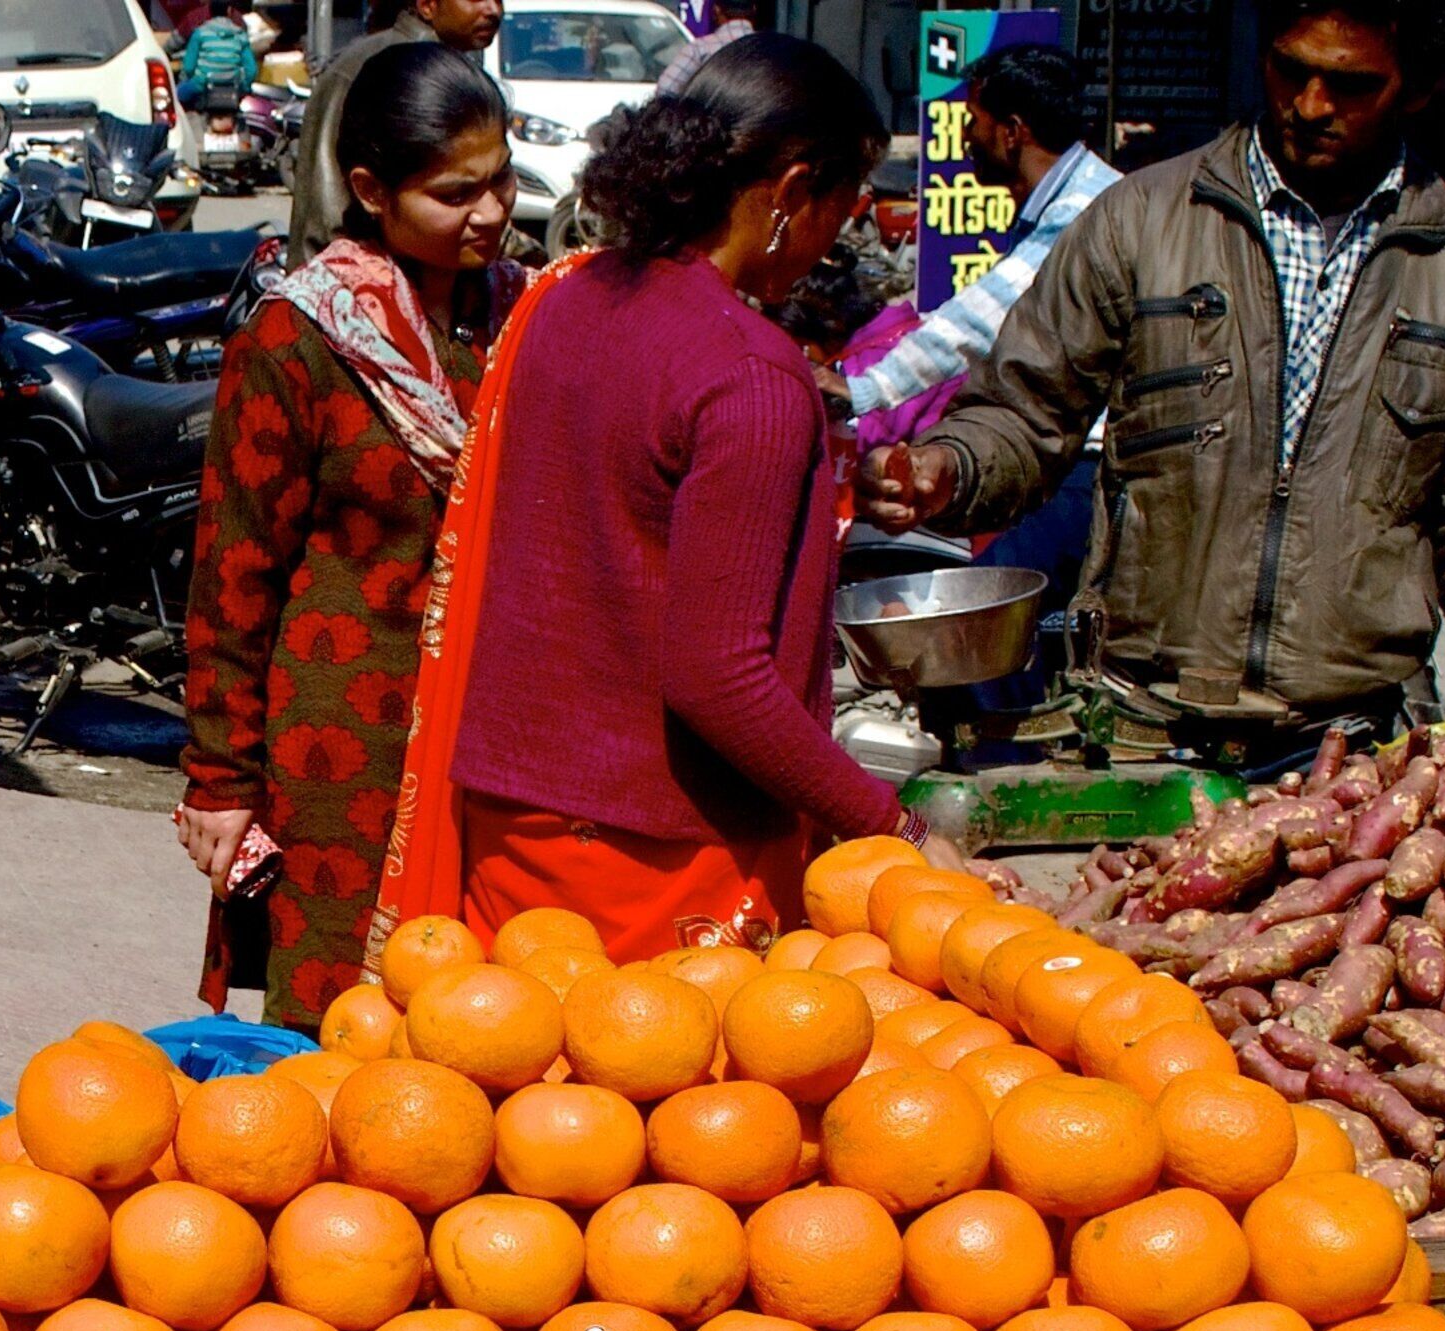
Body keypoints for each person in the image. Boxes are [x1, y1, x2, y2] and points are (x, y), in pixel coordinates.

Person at [862, 0, 1445, 763]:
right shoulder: (1140, 220)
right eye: (1292, 70)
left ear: (1417, 88)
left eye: (1350, 84)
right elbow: (1025, 410)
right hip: (1142, 726)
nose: (1311, 105)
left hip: (1347, 744)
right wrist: (948, 466)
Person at [402, 35, 928, 959]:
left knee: (519, 1088)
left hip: (514, 818)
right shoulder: (750, 371)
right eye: (838, 215)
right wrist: (888, 824)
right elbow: (720, 676)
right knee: (664, 1096)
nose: (829, 248)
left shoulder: (569, 300)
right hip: (663, 850)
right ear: (792, 191)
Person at [175, 44, 523, 1025]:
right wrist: (220, 778)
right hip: (342, 753)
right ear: (370, 189)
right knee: (338, 1037)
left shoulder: (524, 322)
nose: (491, 213)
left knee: (486, 1029)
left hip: (489, 750)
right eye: (457, 193)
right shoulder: (300, 342)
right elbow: (232, 575)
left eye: (501, 178)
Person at [847, 42, 1121, 752]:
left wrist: (863, 389)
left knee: (981, 628)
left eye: (973, 127)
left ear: (1012, 130)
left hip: (1091, 464)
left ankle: (998, 775)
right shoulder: (1060, 203)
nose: (965, 145)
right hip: (1058, 453)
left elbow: (976, 323)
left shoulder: (1090, 211)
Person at [288, 0, 508, 254]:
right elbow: (324, 216)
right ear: (428, 5)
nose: (493, 10)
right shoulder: (374, 72)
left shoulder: (461, 72)